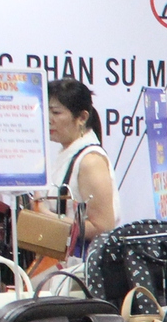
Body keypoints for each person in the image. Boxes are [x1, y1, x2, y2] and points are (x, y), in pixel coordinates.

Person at [44, 78, 115, 258]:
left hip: (80, 264)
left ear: (82, 117)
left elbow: (103, 226)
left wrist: (44, 216)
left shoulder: (90, 161)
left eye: (56, 112)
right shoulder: (68, 153)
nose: (49, 119)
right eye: (46, 111)